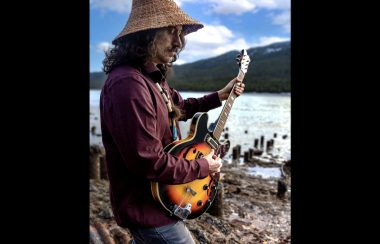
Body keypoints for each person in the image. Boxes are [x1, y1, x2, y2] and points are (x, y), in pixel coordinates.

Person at [99, 0, 245, 243]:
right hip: (148, 210)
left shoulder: (151, 78)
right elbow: (148, 162)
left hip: (165, 201)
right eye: (170, 32)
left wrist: (220, 95)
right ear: (146, 34)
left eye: (180, 34)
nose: (179, 43)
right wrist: (203, 167)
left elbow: (179, 108)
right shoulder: (128, 85)